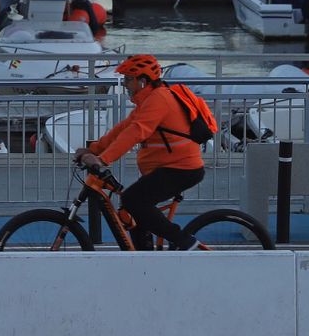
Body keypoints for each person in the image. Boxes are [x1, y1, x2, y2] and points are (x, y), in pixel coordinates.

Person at [75, 54, 211, 251]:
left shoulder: (159, 99)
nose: (125, 84)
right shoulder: (147, 101)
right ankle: (143, 256)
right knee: (132, 210)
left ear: (142, 81)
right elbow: (123, 129)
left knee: (132, 199)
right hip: (167, 167)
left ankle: (184, 241)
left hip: (181, 168)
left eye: (128, 79)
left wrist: (102, 160)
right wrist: (93, 149)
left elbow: (137, 132)